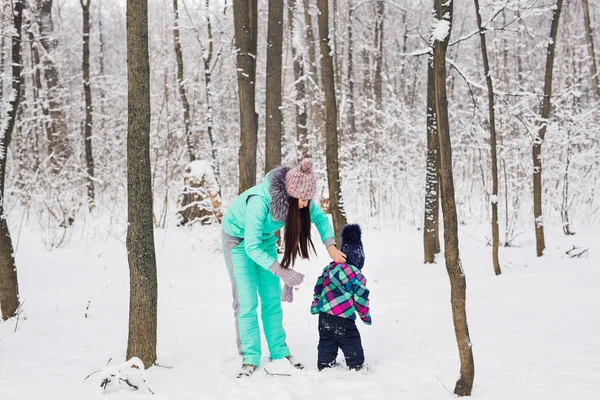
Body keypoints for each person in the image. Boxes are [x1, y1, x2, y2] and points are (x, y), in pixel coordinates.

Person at [221, 159, 346, 378]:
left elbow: (321, 220)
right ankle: (250, 357)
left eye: (309, 199)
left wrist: (332, 248)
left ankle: (279, 351)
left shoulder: (301, 198)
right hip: (238, 242)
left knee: (271, 298)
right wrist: (280, 270)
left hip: (265, 241)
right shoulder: (259, 202)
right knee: (247, 300)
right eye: (303, 200)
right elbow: (251, 246)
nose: (306, 204)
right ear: (290, 195)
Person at [310, 224, 371, 371]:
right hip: (343, 317)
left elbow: (319, 286)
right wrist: (364, 315)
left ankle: (324, 364)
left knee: (326, 340)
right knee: (351, 340)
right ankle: (355, 363)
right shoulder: (357, 275)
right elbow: (361, 298)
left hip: (324, 315)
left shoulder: (329, 269)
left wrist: (315, 304)